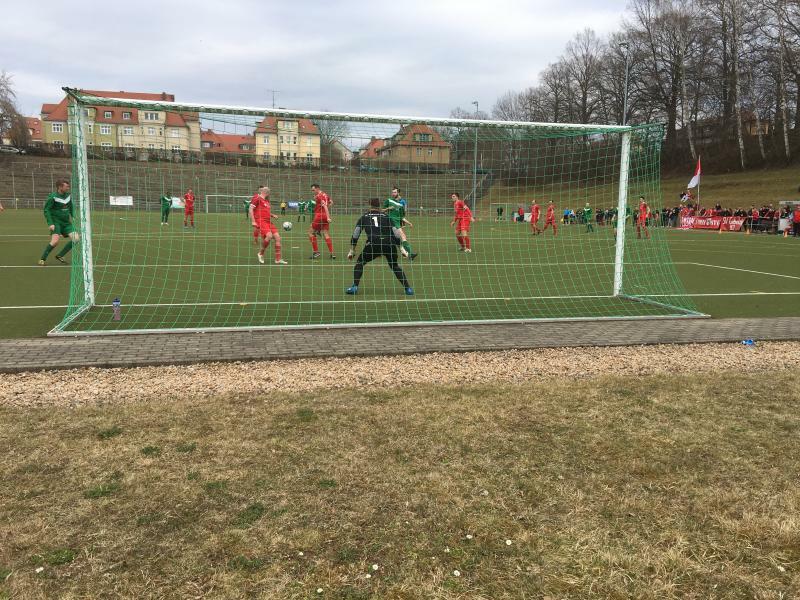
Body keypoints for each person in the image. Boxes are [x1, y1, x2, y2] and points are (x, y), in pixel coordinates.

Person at [345, 198, 413, 296]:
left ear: (369, 205)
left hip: (373, 244)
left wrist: (352, 250)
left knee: (359, 263)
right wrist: (401, 248)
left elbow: (356, 233)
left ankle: (354, 287)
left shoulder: (364, 217)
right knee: (395, 266)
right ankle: (408, 289)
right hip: (388, 244)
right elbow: (396, 233)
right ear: (379, 206)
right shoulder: (386, 216)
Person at [39, 178, 79, 265]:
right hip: (56, 222)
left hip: (66, 223)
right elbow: (47, 210)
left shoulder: (68, 196)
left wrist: (73, 216)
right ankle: (42, 259)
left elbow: (70, 206)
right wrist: (50, 223)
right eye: (66, 187)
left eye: (68, 186)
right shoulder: (52, 197)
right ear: (60, 187)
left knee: (76, 239)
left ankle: (60, 255)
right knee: (55, 241)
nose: (68, 188)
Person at [249, 185, 287, 265]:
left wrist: (272, 215)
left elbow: (265, 212)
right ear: (266, 192)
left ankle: (278, 259)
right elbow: (251, 209)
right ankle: (261, 253)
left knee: (277, 237)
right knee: (269, 236)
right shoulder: (257, 197)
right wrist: (253, 221)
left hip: (268, 221)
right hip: (261, 221)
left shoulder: (266, 201)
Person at [383, 187, 417, 259]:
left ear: (398, 193)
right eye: (392, 192)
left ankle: (406, 253)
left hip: (397, 224)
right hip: (391, 222)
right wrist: (388, 208)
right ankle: (410, 254)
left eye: (395, 192)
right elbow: (381, 210)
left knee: (398, 239)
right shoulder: (388, 201)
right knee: (402, 236)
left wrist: (409, 223)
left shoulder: (400, 205)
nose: (393, 194)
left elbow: (402, 217)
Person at [309, 183, 335, 259]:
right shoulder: (325, 195)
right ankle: (332, 253)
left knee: (310, 232)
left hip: (319, 216)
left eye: (313, 190)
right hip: (324, 215)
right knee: (326, 234)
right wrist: (326, 213)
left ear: (317, 188)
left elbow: (325, 206)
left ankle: (316, 252)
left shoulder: (319, 196)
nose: (313, 191)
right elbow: (331, 202)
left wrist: (328, 217)